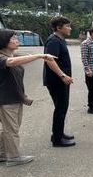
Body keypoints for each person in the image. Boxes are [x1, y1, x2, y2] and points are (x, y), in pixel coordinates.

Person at [0, 29, 56, 166]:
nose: (16, 39)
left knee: (10, 128)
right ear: (4, 42)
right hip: (6, 100)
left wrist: (23, 96)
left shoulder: (9, 55)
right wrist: (39, 56)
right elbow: (11, 62)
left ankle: (2, 153)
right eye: (13, 38)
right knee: (11, 129)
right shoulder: (2, 58)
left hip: (14, 98)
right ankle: (13, 157)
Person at [43, 16, 75, 148]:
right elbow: (50, 60)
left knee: (62, 107)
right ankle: (57, 139)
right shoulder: (53, 41)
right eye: (67, 26)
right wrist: (63, 76)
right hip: (56, 81)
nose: (70, 28)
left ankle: (59, 133)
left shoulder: (60, 40)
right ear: (58, 27)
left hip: (61, 80)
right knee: (60, 108)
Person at [80, 27, 93, 114]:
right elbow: (84, 58)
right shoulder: (85, 43)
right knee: (92, 89)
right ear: (92, 33)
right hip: (91, 71)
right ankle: (91, 107)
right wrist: (88, 70)